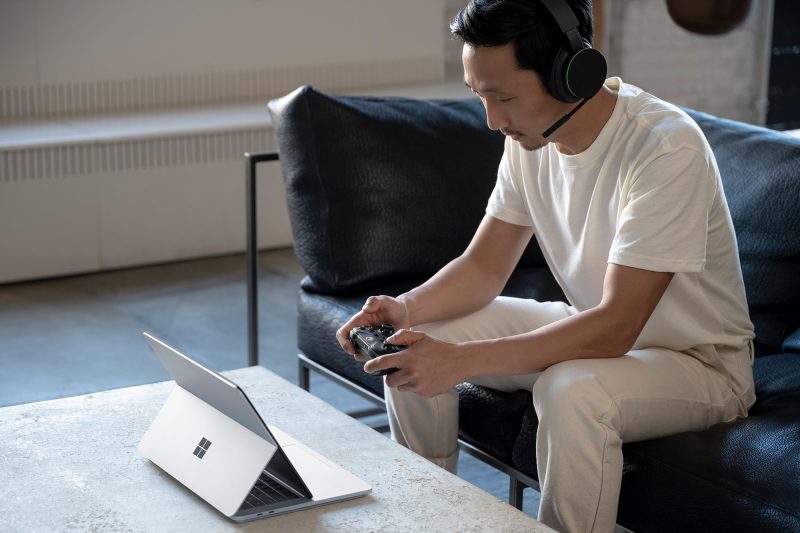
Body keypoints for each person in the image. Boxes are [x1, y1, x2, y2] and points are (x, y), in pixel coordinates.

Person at [336, 0, 756, 531]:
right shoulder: (531, 139)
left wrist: (459, 362)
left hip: (697, 364)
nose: (493, 121)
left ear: (571, 74)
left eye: (504, 97)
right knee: (416, 336)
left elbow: (616, 327)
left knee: (570, 391)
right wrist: (404, 308)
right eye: (480, 96)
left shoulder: (665, 149)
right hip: (592, 329)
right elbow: (484, 268)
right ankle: (430, 516)